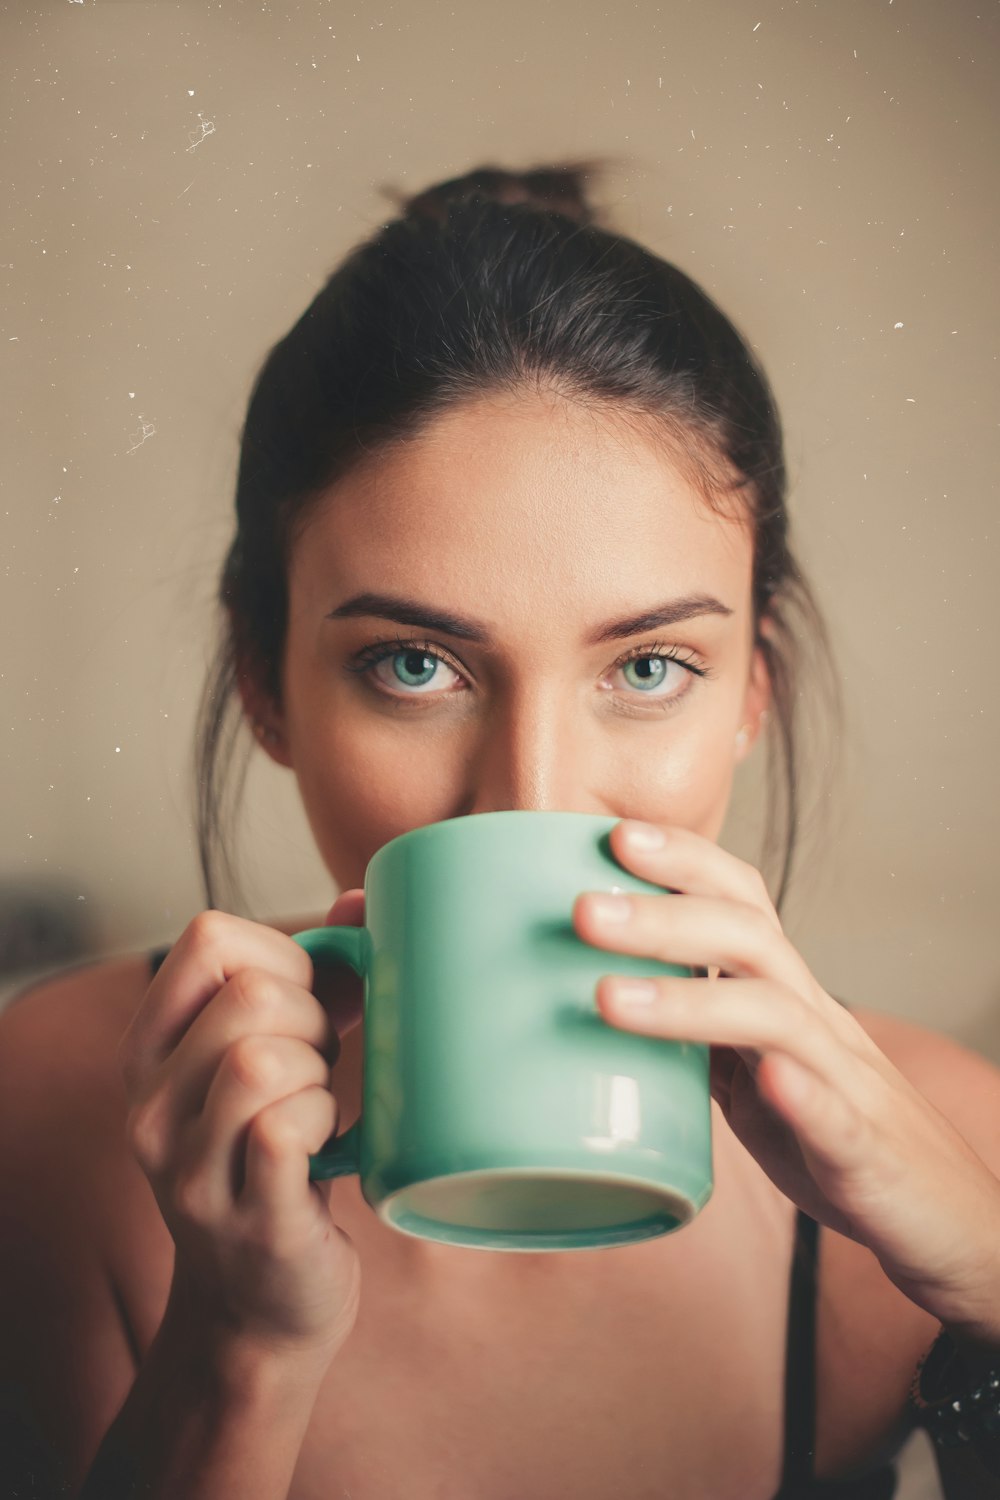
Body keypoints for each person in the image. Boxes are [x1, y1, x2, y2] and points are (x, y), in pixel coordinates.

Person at [1, 160, 999, 1500]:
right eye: (413, 665)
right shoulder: (42, 1118)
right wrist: (235, 1357)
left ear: (750, 693)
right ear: (264, 682)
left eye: (647, 669)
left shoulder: (950, 1154)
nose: (535, 800)